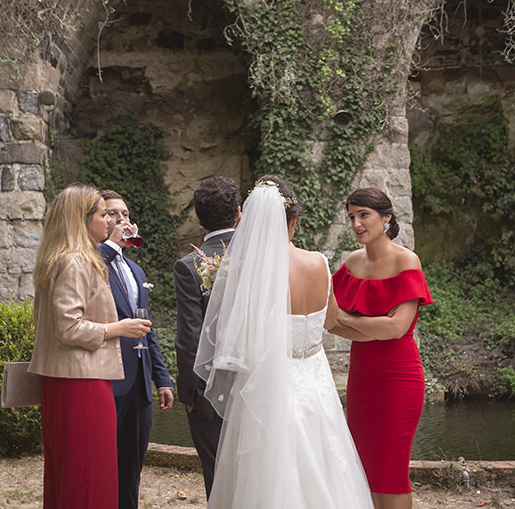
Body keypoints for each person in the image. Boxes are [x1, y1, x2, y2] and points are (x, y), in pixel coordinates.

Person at [195, 175, 372, 509]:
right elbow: (331, 321)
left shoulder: (249, 271)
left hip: (268, 382)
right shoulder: (319, 262)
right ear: (294, 222)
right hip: (315, 378)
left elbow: (234, 336)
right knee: (326, 460)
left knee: (265, 467)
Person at [30, 183, 150, 509]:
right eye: (102, 214)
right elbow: (68, 327)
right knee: (87, 476)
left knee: (70, 475)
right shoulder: (76, 262)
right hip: (81, 382)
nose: (109, 221)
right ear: (81, 220)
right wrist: (118, 328)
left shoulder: (59, 259)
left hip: (66, 381)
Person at [330, 187, 433, 509]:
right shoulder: (352, 262)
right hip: (362, 378)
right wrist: (371, 326)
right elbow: (331, 321)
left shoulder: (406, 260)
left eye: (364, 215)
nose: (356, 223)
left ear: (386, 218)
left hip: (399, 377)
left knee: (391, 470)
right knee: (364, 467)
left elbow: (398, 327)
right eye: (352, 217)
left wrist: (352, 318)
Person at [99, 191, 173, 509]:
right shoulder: (91, 262)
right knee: (104, 465)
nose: (122, 221)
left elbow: (146, 327)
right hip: (108, 380)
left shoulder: (136, 272)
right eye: (113, 215)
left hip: (140, 385)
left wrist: (163, 379)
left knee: (132, 469)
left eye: (125, 215)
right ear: (99, 220)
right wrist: (111, 243)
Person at [173, 175, 241, 498]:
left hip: (209, 390)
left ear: (199, 218)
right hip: (258, 383)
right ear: (239, 213)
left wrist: (188, 394)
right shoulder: (262, 260)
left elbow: (190, 335)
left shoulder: (189, 266)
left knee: (217, 473)